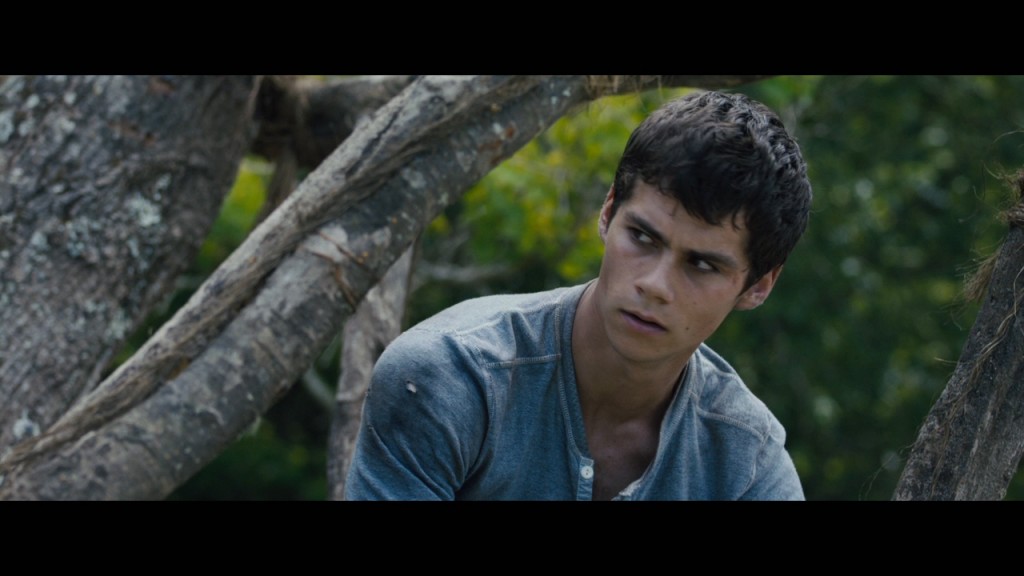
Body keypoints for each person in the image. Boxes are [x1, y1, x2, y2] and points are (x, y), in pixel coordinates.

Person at [344, 89, 812, 500]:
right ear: (608, 212)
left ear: (758, 286)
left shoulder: (748, 466)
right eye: (642, 237)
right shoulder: (449, 378)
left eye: (702, 265)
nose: (654, 284)